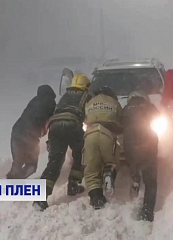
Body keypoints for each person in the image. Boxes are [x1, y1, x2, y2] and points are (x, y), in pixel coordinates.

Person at [33, 73, 92, 211]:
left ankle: (39, 198)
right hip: (72, 124)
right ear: (85, 86)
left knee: (54, 162)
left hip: (55, 126)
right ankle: (73, 185)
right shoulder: (86, 96)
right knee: (79, 154)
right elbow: (91, 114)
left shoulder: (64, 96)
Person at [83, 86, 123, 210]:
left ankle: (96, 198)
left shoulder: (89, 103)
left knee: (91, 170)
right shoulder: (114, 103)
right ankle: (108, 172)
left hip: (90, 135)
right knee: (111, 161)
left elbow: (84, 119)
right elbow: (122, 120)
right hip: (107, 134)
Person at [122, 90, 159, 222]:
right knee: (151, 180)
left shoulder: (126, 108)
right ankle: (147, 211)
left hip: (129, 143)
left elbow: (119, 125)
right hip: (148, 143)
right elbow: (159, 119)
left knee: (132, 161)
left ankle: (135, 177)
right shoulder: (150, 107)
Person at [7, 85, 56, 179]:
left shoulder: (33, 101)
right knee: (31, 166)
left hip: (16, 132)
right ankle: (16, 182)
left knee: (17, 163)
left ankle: (9, 183)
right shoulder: (50, 102)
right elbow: (53, 120)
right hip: (31, 135)